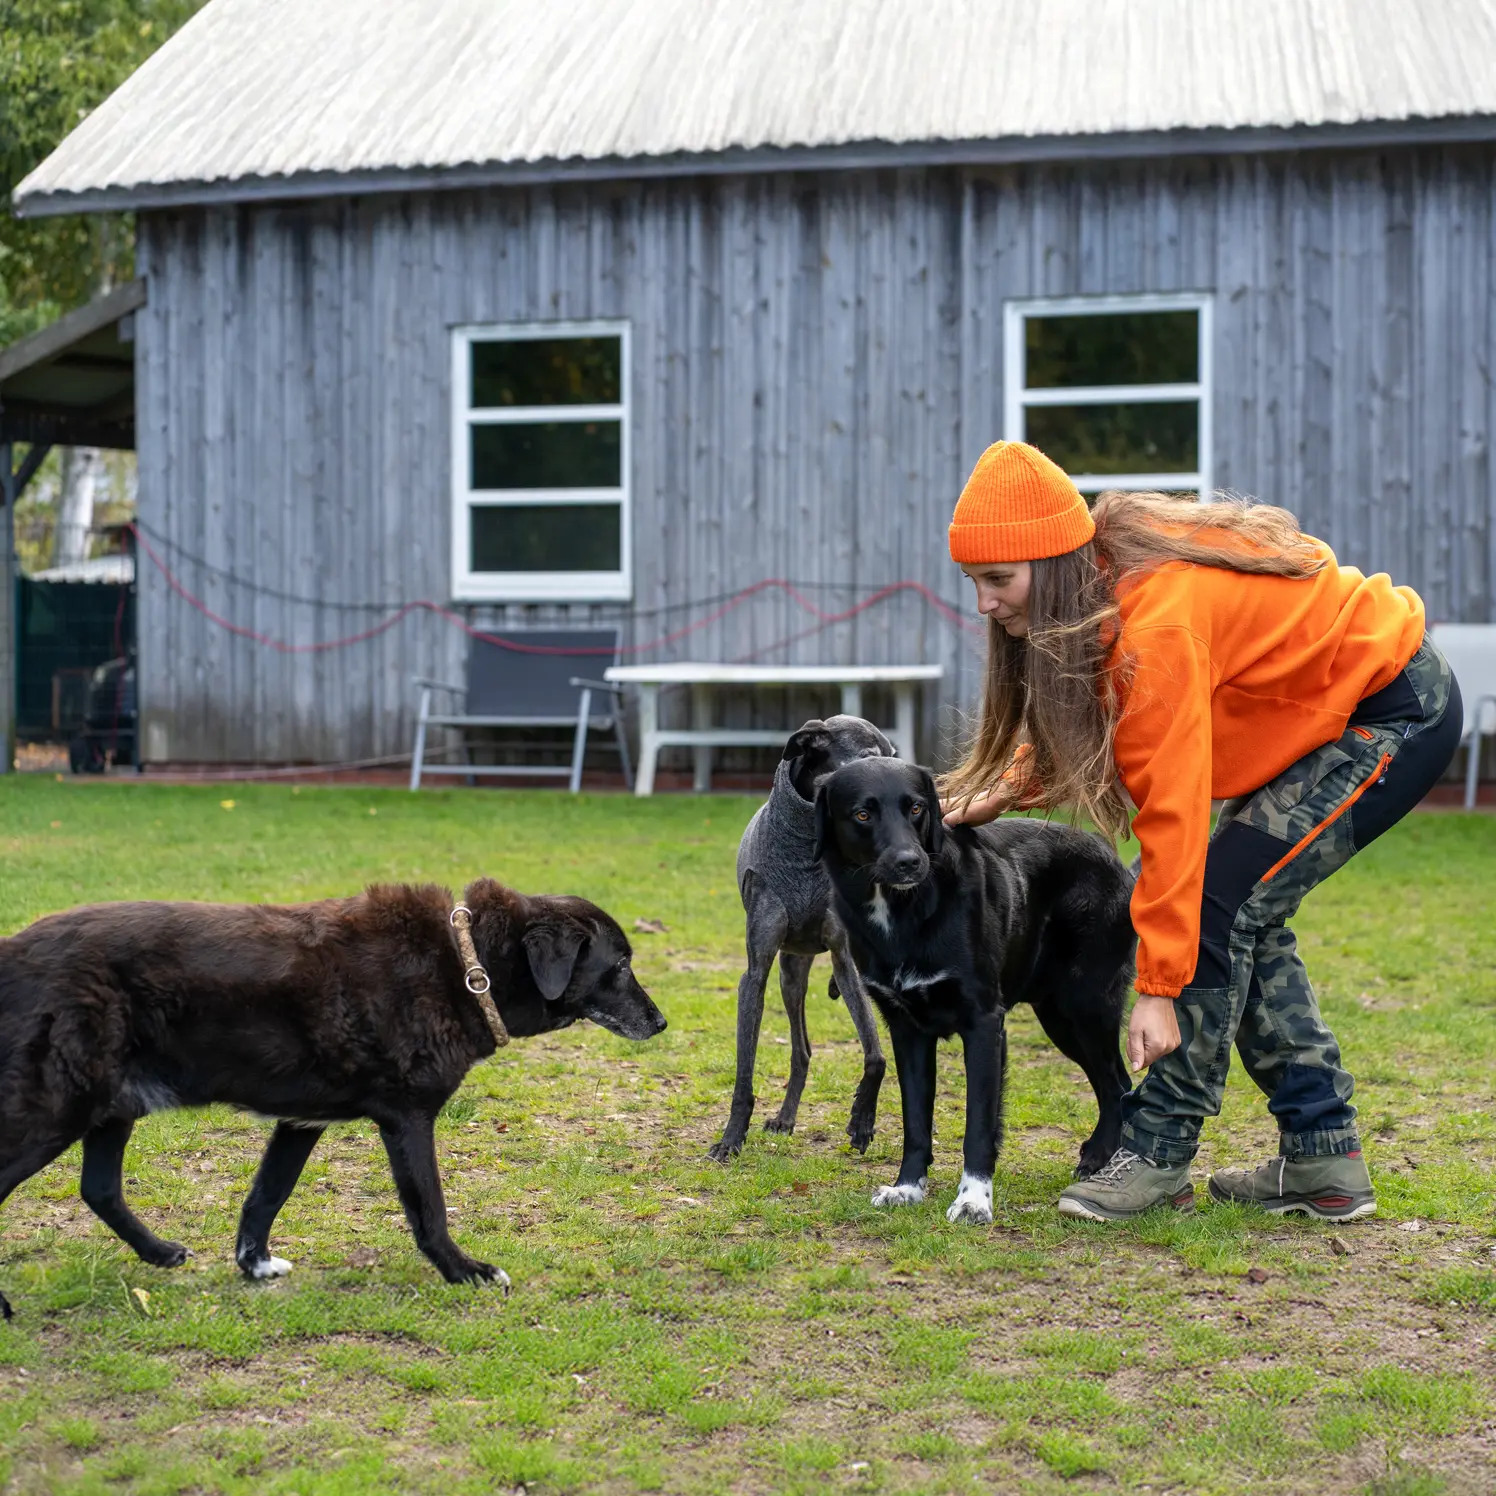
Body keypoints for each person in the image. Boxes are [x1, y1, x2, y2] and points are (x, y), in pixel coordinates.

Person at [940, 441, 1463, 1223]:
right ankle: (1324, 1155)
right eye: (974, 582)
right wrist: (1006, 784)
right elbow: (1097, 714)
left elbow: (1172, 819)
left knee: (1220, 900)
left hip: (1391, 710)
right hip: (1324, 720)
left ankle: (1158, 1149)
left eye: (997, 580)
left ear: (1050, 566)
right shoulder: (1100, 579)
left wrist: (1155, 991)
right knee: (1243, 907)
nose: (984, 604)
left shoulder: (1158, 626)